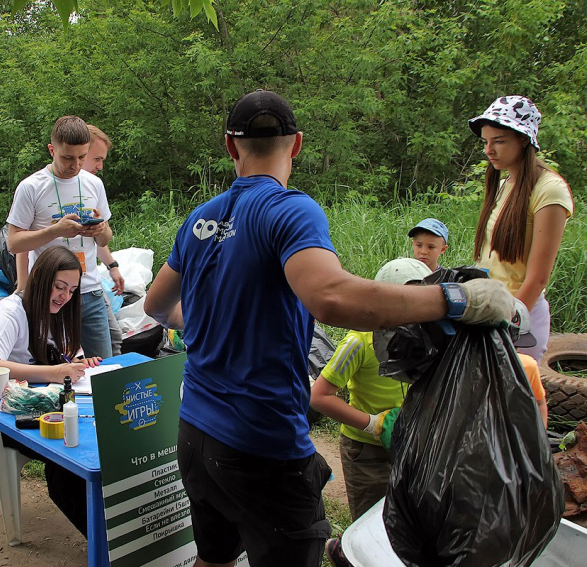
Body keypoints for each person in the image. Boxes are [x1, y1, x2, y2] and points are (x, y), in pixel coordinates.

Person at [144, 89, 515, 567]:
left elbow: (157, 305)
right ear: (296, 145)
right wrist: (456, 299)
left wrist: (213, 323)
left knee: (213, 558)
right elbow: (332, 298)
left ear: (230, 146)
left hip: (195, 431)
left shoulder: (201, 218)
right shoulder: (289, 210)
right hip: (262, 443)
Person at [0, 245, 100, 536]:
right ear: (40, 278)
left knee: (89, 436)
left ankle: (108, 528)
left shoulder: (59, 312)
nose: (65, 296)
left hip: (32, 395)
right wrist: (54, 373)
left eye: (72, 290)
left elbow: (64, 356)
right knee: (65, 452)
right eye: (59, 287)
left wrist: (78, 364)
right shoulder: (10, 312)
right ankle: (103, 543)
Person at [310, 257, 431, 567]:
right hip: (366, 452)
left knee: (408, 520)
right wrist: (372, 424)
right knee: (369, 523)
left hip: (410, 446)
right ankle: (346, 552)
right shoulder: (359, 342)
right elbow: (319, 396)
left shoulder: (428, 342)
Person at [469, 95, 574, 362]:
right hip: (490, 311)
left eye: (499, 141)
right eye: (485, 142)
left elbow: (537, 279)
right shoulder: (506, 183)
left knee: (517, 402)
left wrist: (506, 326)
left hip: (516, 319)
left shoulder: (549, 189)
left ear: (524, 140)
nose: (489, 150)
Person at [7, 115, 114, 358]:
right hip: (49, 295)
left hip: (89, 292)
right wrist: (55, 231)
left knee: (104, 369)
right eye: (67, 157)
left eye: (82, 157)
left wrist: (100, 230)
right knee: (52, 370)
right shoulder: (31, 187)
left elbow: (106, 238)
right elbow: (14, 243)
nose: (75, 165)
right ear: (51, 150)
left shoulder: (94, 184)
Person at [82, 124, 124, 356]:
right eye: (96, 159)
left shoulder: (93, 186)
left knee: (115, 338)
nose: (100, 166)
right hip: (67, 287)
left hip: (91, 283)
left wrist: (112, 267)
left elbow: (100, 237)